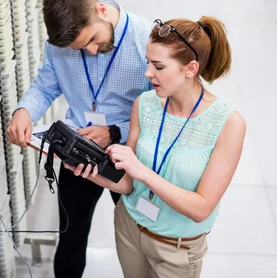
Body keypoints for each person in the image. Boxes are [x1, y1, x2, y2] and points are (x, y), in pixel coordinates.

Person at [66, 17, 246, 278]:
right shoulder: (145, 103)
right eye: (147, 63)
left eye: (158, 66)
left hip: (177, 250)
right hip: (130, 229)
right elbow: (128, 184)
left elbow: (201, 208)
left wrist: (140, 170)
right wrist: (93, 173)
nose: (147, 73)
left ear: (191, 68)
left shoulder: (228, 124)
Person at [6, 0, 152, 278]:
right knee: (71, 238)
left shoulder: (144, 39)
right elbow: (45, 85)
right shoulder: (59, 47)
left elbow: (159, 110)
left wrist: (113, 131)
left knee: (140, 236)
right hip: (78, 153)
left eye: (93, 40)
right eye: (81, 48)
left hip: (129, 153)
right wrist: (23, 111)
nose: (92, 51)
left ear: (101, 9)